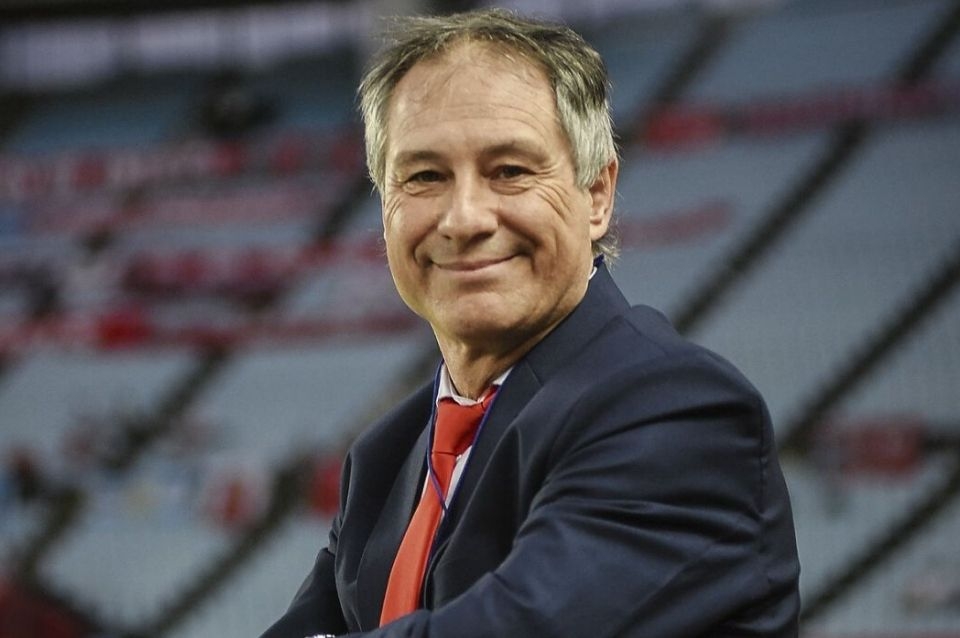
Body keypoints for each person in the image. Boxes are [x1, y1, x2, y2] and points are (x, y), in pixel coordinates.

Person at [260, 9, 800, 638]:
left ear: (597, 195)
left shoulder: (678, 412)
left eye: (510, 171)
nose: (464, 219)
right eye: (425, 176)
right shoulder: (383, 458)